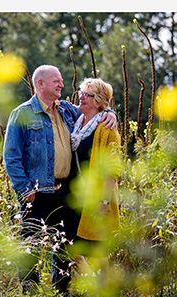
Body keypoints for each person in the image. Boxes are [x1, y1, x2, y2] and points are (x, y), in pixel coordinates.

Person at [2, 65, 117, 294]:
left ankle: (60, 291)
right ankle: (30, 294)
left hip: (63, 191)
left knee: (63, 244)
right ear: (40, 84)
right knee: (31, 244)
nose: (62, 86)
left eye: (61, 80)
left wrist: (111, 113)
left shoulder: (67, 110)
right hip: (35, 191)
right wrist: (25, 189)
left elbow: (95, 109)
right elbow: (11, 158)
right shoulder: (22, 114)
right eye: (56, 81)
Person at [66, 78, 123, 274]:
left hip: (96, 195)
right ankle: (91, 281)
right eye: (80, 93)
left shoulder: (108, 128)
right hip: (75, 193)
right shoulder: (76, 123)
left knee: (98, 248)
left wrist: (104, 202)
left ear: (98, 101)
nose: (80, 97)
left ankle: (105, 292)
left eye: (86, 95)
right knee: (69, 241)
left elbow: (113, 169)